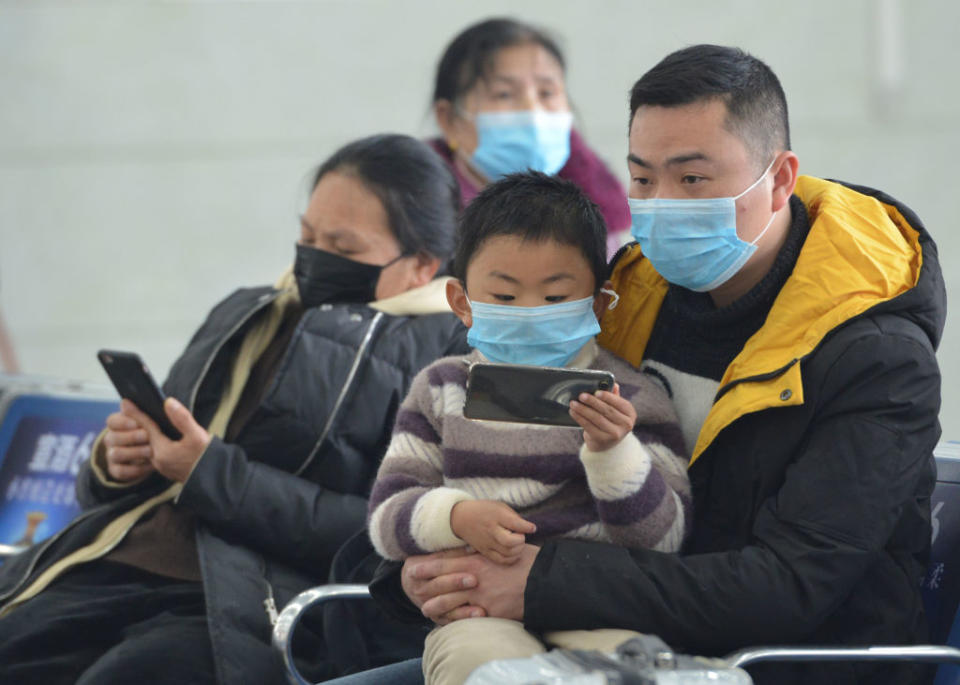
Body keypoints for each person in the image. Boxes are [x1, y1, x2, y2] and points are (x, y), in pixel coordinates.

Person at [366, 46, 945, 685]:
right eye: (643, 179)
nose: (661, 204)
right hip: (554, 623)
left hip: (771, 663)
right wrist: (421, 574)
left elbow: (789, 587)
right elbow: (479, 461)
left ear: (779, 179)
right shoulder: (621, 299)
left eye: (691, 179)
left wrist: (539, 583)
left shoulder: (874, 359)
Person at [0, 133, 470, 685]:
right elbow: (129, 482)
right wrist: (119, 462)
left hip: (246, 599)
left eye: (343, 248)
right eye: (307, 235)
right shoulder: (249, 312)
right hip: (115, 558)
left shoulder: (443, 355)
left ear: (422, 265)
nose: (313, 258)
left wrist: (210, 473)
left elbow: (381, 531)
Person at [366, 172, 691, 685]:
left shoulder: (630, 397)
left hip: (602, 606)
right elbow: (387, 517)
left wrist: (613, 451)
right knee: (480, 667)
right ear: (462, 301)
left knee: (638, 666)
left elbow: (664, 539)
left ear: (600, 305)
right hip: (479, 609)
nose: (531, 315)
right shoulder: (441, 389)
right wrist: (457, 517)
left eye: (557, 298)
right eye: (506, 297)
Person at [429, 17, 630, 256]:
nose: (532, 110)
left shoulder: (597, 218)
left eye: (546, 92)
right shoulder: (417, 218)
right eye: (503, 94)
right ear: (449, 119)